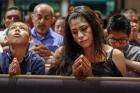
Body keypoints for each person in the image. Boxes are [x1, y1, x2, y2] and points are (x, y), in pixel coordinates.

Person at [48, 6, 126, 77]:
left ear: (94, 27)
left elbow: (120, 89)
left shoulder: (115, 55)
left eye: (84, 28)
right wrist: (73, 77)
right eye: (74, 32)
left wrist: (90, 78)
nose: (80, 35)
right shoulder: (61, 53)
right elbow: (50, 86)